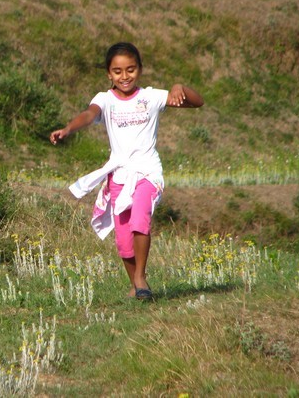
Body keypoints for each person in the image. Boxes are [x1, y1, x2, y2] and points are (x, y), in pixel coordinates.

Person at [50, 42, 204, 301]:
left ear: (140, 70)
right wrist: (68, 128)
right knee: (123, 241)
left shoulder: (151, 97)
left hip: (147, 173)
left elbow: (197, 102)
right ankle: (135, 284)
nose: (125, 76)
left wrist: (179, 88)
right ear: (109, 74)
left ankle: (141, 276)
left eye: (130, 70)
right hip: (119, 176)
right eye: (118, 71)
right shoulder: (105, 100)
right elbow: (89, 115)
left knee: (140, 219)